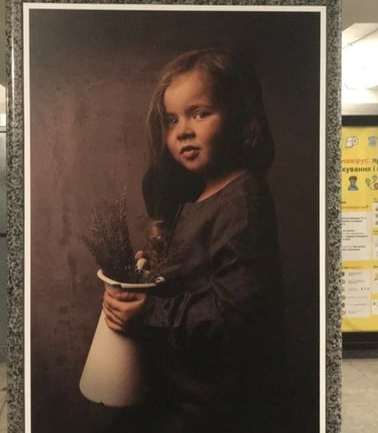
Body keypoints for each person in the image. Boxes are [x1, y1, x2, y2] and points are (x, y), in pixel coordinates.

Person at [102, 49, 288, 432]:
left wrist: (148, 313)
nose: (182, 131)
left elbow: (235, 316)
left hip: (214, 409)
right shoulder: (203, 197)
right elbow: (197, 280)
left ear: (239, 117)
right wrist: (149, 276)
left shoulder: (242, 199)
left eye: (200, 113)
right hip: (182, 392)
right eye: (172, 120)